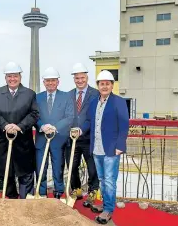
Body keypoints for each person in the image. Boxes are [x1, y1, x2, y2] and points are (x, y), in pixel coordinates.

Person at [79, 70, 129, 225]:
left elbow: (124, 125)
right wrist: (80, 129)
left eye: (107, 83)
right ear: (98, 86)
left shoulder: (119, 102)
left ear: (112, 85)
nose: (105, 86)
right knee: (101, 179)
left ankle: (108, 210)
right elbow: (88, 121)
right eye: (102, 84)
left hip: (112, 148)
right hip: (97, 148)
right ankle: (106, 204)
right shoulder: (94, 102)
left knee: (109, 180)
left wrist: (120, 145)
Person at [0, 62, 39, 199]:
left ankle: (26, 202)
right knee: (6, 174)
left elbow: (34, 114)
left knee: (26, 174)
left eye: (15, 76)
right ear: (5, 78)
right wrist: (5, 125)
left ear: (20, 77)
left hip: (23, 143)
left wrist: (19, 126)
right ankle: (11, 202)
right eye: (9, 76)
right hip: (4, 141)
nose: (12, 79)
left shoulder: (29, 94)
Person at [34, 67, 74, 199]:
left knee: (58, 167)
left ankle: (58, 192)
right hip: (41, 138)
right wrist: (42, 126)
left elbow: (69, 117)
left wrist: (55, 127)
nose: (50, 83)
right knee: (40, 167)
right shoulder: (37, 97)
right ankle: (42, 192)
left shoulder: (66, 97)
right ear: (44, 82)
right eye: (47, 81)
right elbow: (34, 116)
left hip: (59, 139)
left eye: (53, 80)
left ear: (58, 82)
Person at [66, 63, 100, 207]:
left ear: (87, 77)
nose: (80, 80)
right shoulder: (68, 95)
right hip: (72, 138)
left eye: (82, 78)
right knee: (72, 165)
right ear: (74, 79)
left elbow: (95, 116)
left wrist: (83, 129)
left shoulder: (95, 94)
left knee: (92, 167)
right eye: (77, 78)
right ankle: (77, 189)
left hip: (89, 138)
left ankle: (93, 191)